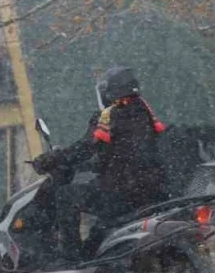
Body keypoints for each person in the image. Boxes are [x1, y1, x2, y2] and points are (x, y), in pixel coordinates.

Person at [33, 66, 170, 262]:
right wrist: (89, 166)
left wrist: (51, 159)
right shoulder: (144, 113)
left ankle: (70, 258)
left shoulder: (109, 116)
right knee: (100, 226)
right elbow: (125, 155)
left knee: (66, 196)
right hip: (148, 191)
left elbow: (84, 148)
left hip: (122, 190)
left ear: (109, 91)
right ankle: (97, 263)